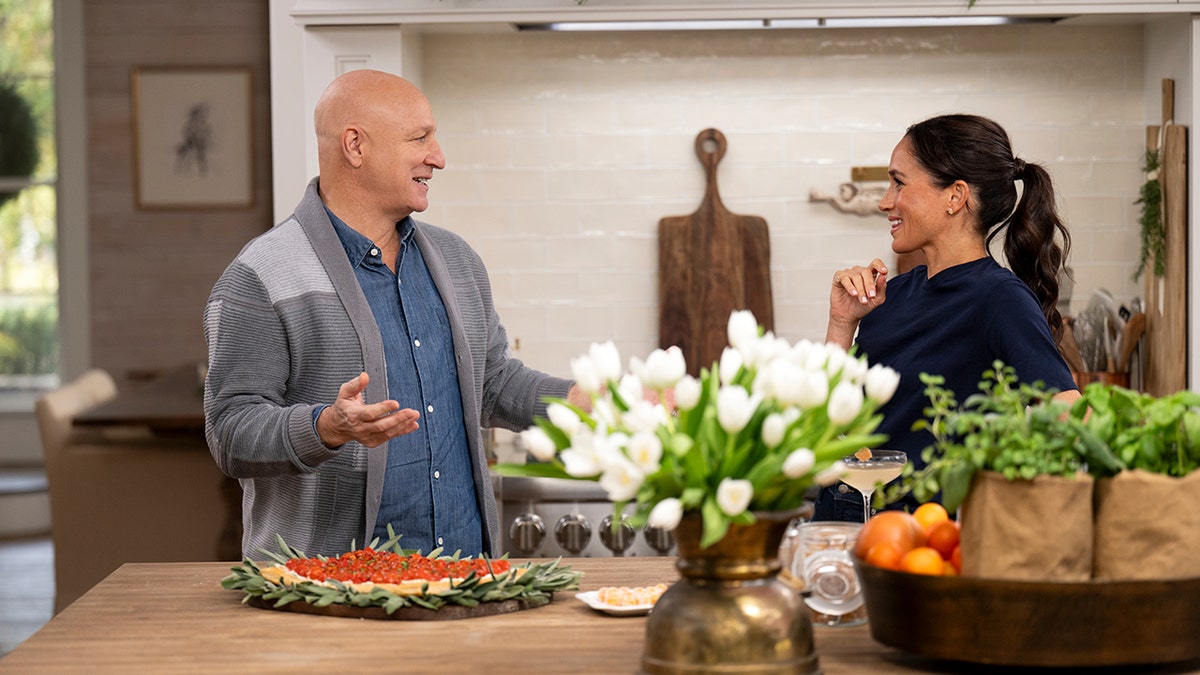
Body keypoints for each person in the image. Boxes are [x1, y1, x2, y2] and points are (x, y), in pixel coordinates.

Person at [204, 69, 585, 559]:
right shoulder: (261, 276)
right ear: (355, 146)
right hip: (334, 598)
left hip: (465, 581)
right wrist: (327, 427)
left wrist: (575, 400)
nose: (439, 157)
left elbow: (491, 383)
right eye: (420, 138)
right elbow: (231, 432)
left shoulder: (457, 262)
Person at [815, 113, 1080, 522]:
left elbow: (1071, 418)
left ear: (955, 197)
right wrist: (841, 324)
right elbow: (830, 425)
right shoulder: (893, 294)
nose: (886, 201)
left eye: (899, 182)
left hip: (922, 536)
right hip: (842, 517)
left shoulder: (1000, 299)